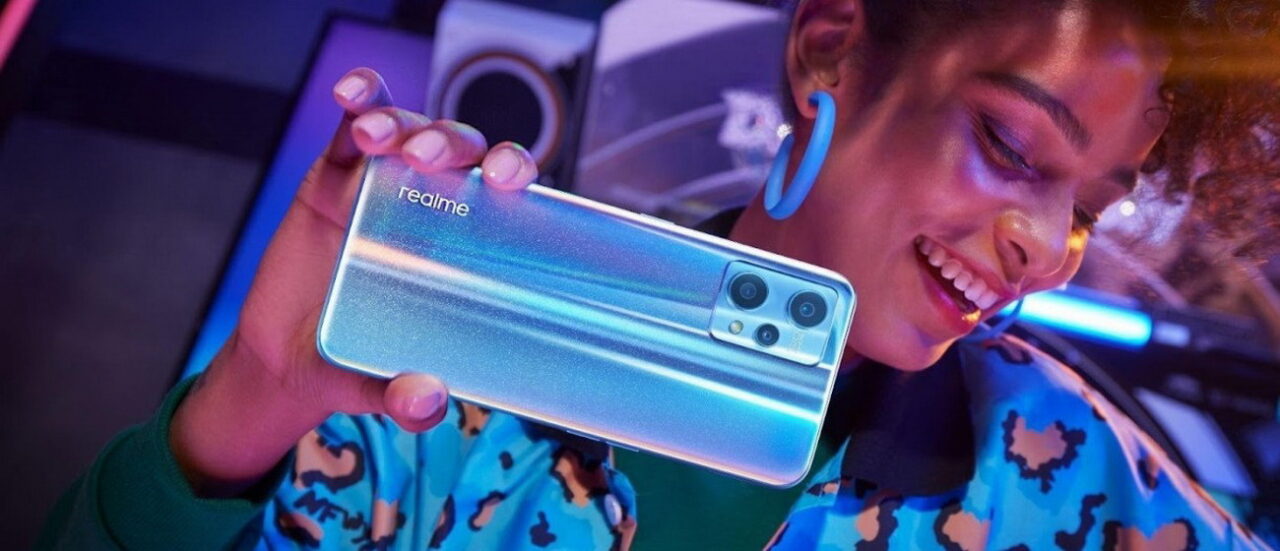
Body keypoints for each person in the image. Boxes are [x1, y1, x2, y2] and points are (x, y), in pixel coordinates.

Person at [38, 0, 1280, 549]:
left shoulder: (1070, 484)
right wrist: (247, 399)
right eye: (1008, 146)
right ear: (830, 50)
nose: (1044, 245)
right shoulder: (437, 392)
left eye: (1091, 206)